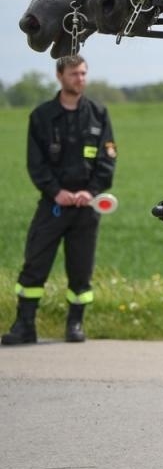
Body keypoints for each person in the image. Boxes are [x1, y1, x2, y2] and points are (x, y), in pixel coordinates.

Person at [2, 55, 116, 345]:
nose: (80, 79)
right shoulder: (41, 116)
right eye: (74, 74)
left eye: (83, 73)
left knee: (81, 271)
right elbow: (35, 163)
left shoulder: (98, 114)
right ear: (60, 76)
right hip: (53, 205)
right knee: (34, 265)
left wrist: (89, 192)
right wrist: (56, 192)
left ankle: (75, 325)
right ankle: (24, 325)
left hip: (86, 208)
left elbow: (107, 160)